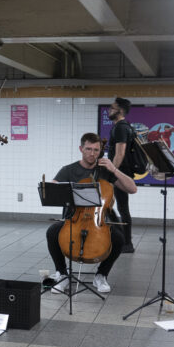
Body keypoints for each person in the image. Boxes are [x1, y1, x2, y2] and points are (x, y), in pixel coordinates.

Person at [46, 133, 137, 294]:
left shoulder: (105, 171)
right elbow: (52, 189)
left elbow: (132, 189)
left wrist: (114, 169)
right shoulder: (69, 170)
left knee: (118, 238)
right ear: (81, 149)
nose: (92, 153)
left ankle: (101, 275)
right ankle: (62, 274)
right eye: (88, 149)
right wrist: (54, 188)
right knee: (52, 232)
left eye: (96, 150)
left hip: (98, 220)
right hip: (73, 218)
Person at [108, 97, 136, 253]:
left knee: (122, 207)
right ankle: (121, 238)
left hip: (120, 172)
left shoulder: (120, 127)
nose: (109, 110)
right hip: (120, 171)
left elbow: (120, 153)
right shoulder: (124, 127)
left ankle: (126, 243)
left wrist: (112, 174)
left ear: (121, 110)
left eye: (112, 108)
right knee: (114, 206)